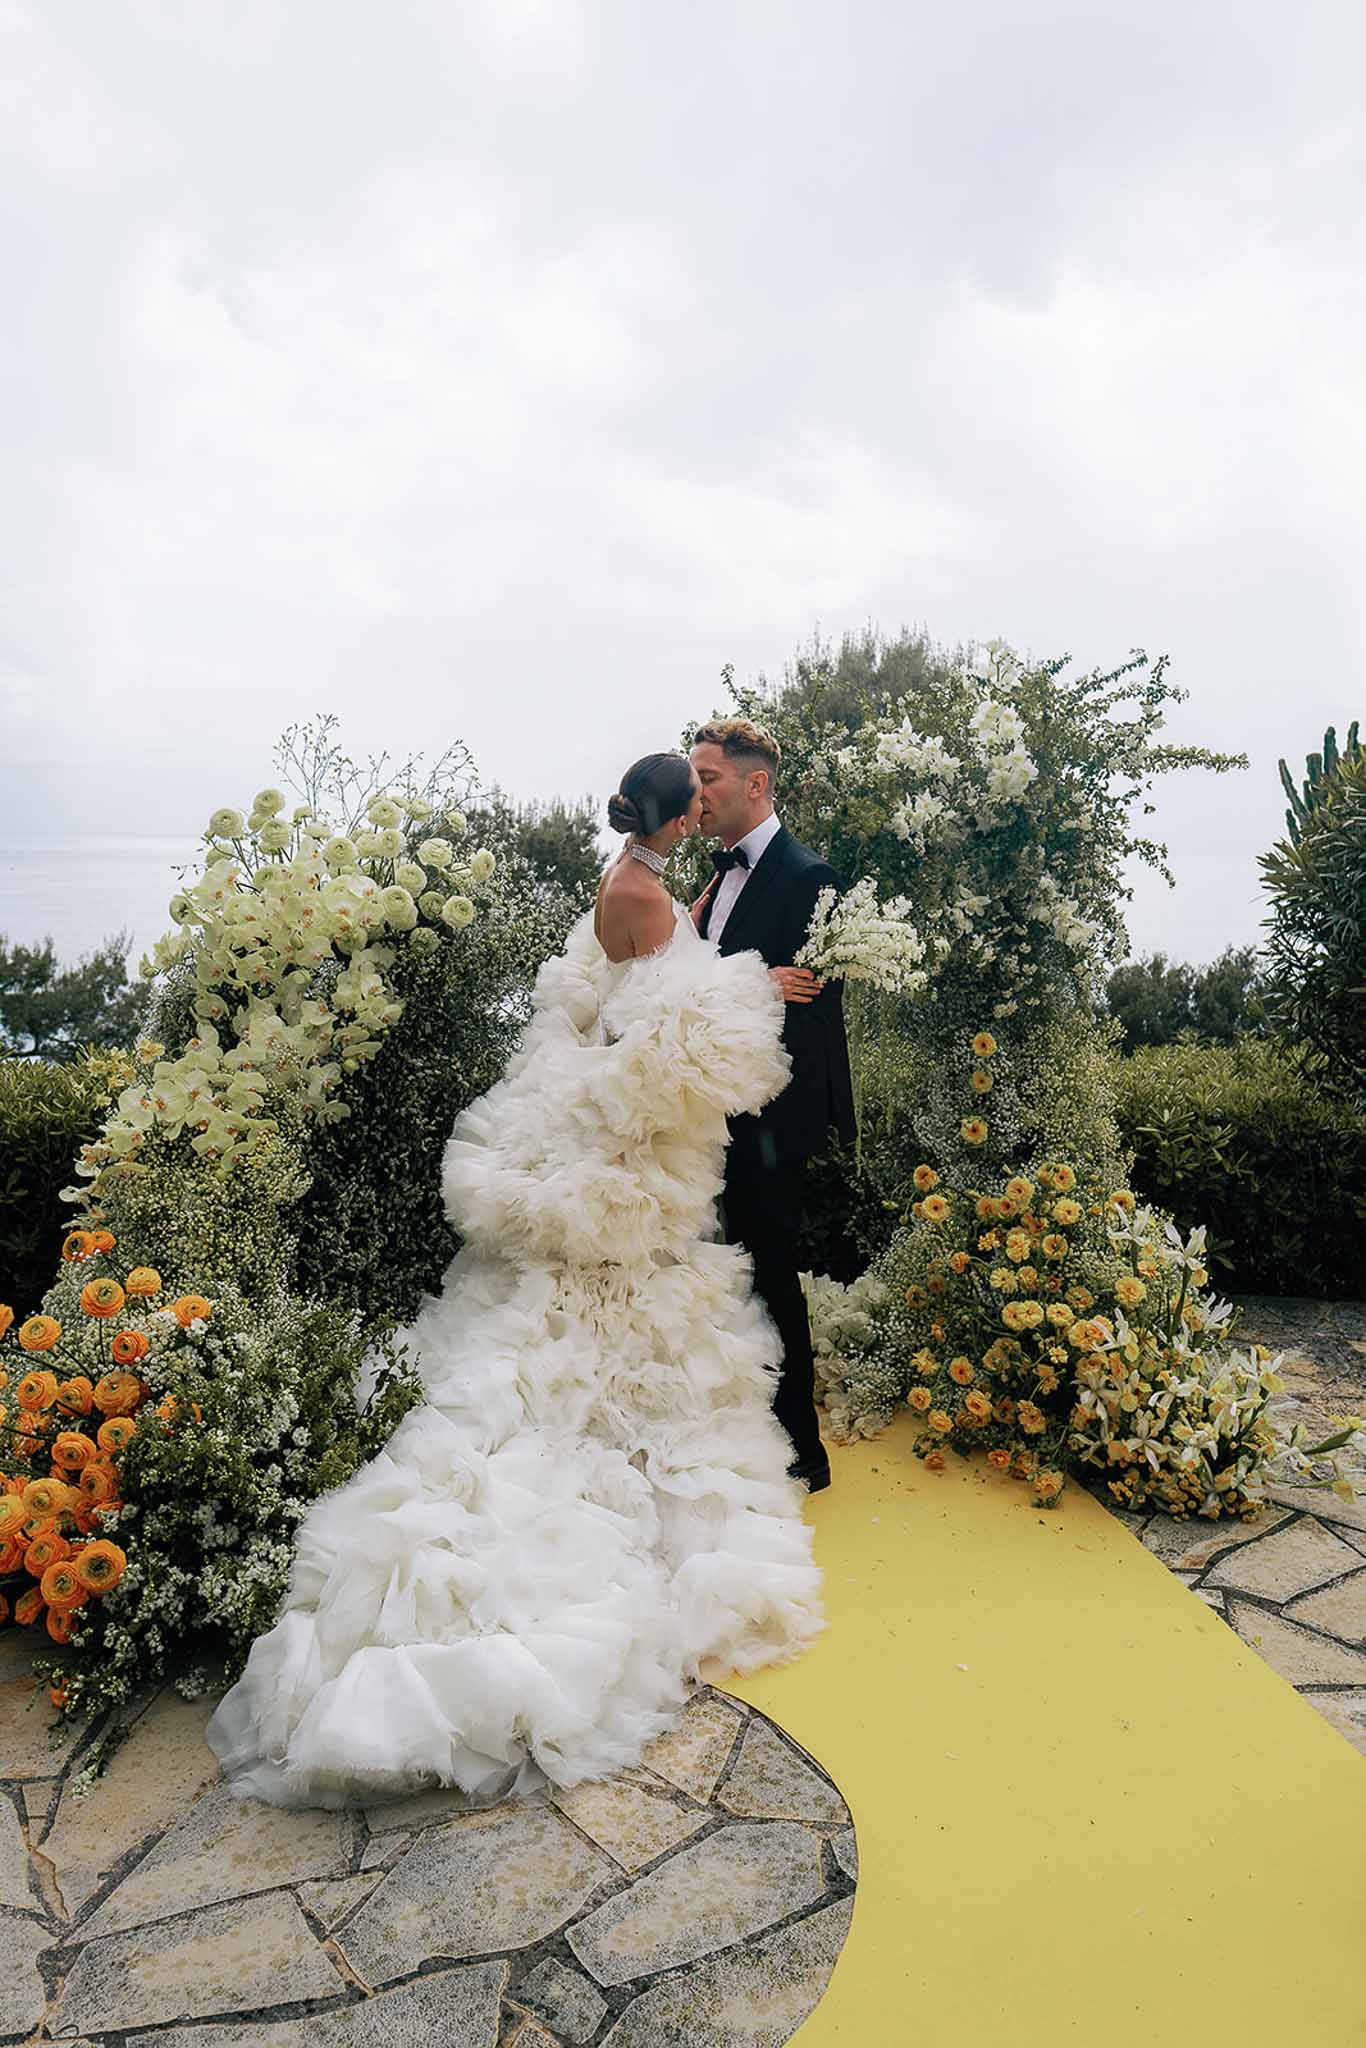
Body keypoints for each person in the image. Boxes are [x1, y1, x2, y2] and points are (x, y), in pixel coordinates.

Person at [206, 750, 824, 1811]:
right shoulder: (640, 891)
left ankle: (605, 1436)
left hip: (601, 1135)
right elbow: (661, 1019)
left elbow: (600, 1001)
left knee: (583, 1324)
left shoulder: (628, 879)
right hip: (623, 1147)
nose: (704, 811)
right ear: (675, 818)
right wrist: (753, 983)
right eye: (697, 799)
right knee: (604, 1331)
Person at [688, 719, 856, 1494]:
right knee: (729, 1269)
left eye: (709, 778)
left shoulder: (809, 877)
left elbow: (813, 1004)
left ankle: (803, 1453)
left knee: (769, 1270)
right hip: (714, 1106)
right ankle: (741, 1429)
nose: (698, 792)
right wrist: (751, 981)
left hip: (774, 1114)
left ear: (755, 784)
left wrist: (751, 989)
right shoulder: (718, 879)